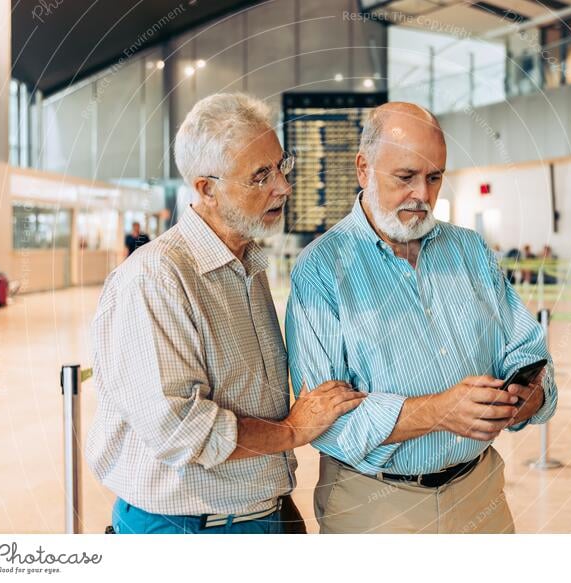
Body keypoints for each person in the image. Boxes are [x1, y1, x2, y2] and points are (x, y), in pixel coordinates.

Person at [85, 93, 365, 535]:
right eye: (260, 176)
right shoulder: (157, 278)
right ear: (206, 189)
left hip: (262, 511)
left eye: (280, 166)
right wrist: (292, 431)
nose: (283, 187)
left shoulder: (246, 265)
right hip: (188, 528)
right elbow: (179, 427)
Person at [286, 102, 557, 534]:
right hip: (374, 506)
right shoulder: (322, 270)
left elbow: (528, 352)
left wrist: (527, 400)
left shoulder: (471, 252)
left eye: (434, 178)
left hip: (479, 491)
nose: (423, 195)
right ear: (363, 169)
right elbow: (326, 423)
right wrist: (437, 411)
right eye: (405, 177)